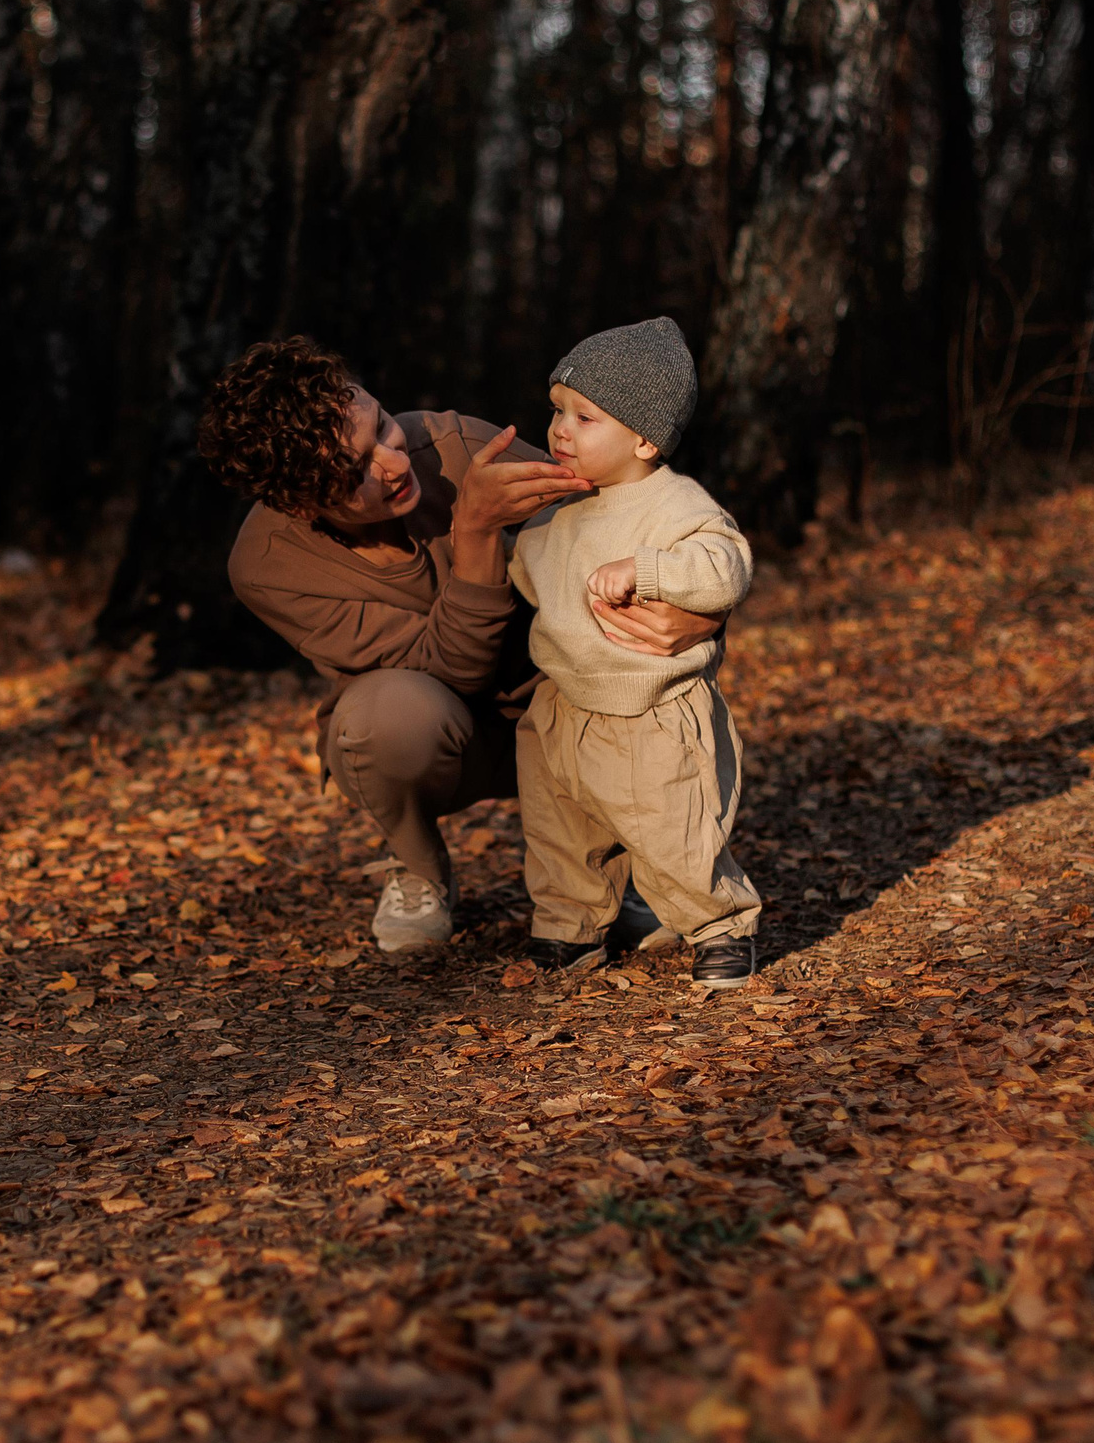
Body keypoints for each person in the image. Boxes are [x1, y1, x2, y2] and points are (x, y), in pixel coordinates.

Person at [199, 336, 722, 952]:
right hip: (444, 732)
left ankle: (636, 868)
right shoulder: (270, 565)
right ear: (300, 502)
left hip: (567, 703)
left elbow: (641, 512)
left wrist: (701, 618)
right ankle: (418, 867)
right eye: (355, 472)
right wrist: (474, 531)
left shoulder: (456, 447)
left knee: (647, 664)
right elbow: (453, 673)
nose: (394, 464)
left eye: (382, 428)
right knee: (378, 719)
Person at [508, 318, 763, 990]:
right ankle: (570, 926)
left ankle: (721, 926)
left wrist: (648, 571)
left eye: (584, 417)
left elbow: (725, 566)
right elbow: (529, 577)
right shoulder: (557, 508)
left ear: (645, 439)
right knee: (560, 831)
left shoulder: (674, 503)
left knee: (671, 830)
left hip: (649, 709)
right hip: (561, 704)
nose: (560, 430)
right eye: (557, 410)